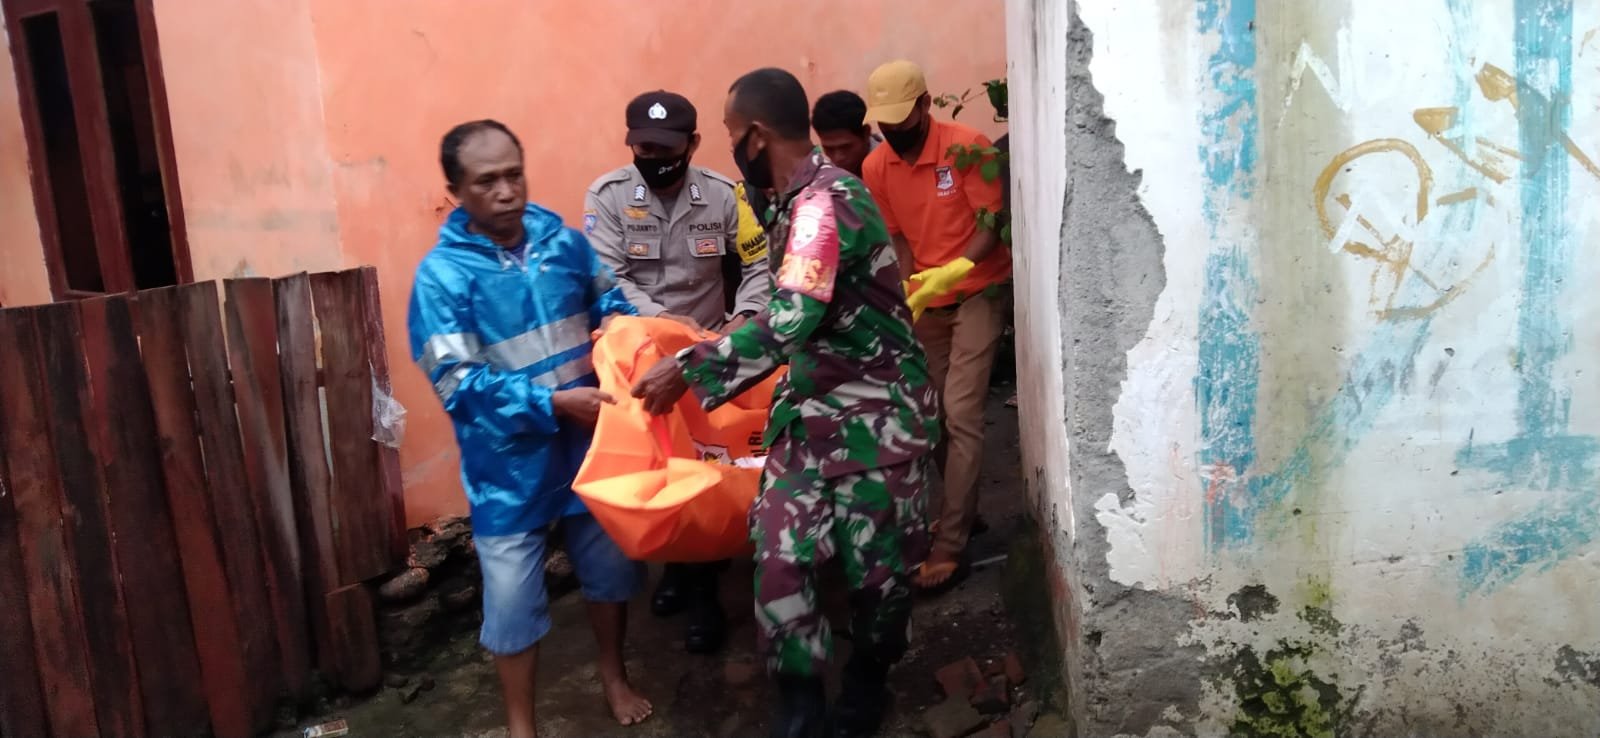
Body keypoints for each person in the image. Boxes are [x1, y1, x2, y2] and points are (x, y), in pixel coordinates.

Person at [631, 68, 941, 738]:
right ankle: (800, 706)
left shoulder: (824, 204)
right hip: (807, 418)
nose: (731, 150)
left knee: (880, 582)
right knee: (780, 557)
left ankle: (867, 682)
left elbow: (791, 316)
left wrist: (688, 369)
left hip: (877, 423)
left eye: (729, 137)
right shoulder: (791, 204)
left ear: (754, 135)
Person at [409, 120, 652, 738]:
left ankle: (614, 676)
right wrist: (552, 404)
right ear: (455, 190)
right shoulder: (441, 278)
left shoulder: (564, 244)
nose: (506, 190)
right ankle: (522, 725)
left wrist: (636, 350)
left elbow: (613, 309)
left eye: (514, 173)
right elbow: (458, 384)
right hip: (507, 467)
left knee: (609, 574)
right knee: (512, 605)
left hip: (590, 444)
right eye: (486, 180)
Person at [583, 90, 771, 655]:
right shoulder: (609, 196)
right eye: (644, 146)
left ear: (691, 144)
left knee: (705, 465)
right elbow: (609, 281)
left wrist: (741, 320)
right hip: (642, 357)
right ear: (630, 143)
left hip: (710, 356)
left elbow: (758, 262)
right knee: (658, 465)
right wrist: (670, 327)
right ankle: (681, 574)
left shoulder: (724, 194)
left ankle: (701, 588)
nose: (655, 156)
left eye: (667, 148)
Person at [859, 60, 1012, 591]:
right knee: (930, 415)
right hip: (929, 299)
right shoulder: (877, 167)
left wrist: (960, 266)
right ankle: (959, 512)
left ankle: (949, 542)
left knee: (962, 411)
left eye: (904, 120)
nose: (896, 133)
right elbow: (899, 240)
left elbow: (991, 226)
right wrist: (905, 295)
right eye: (886, 125)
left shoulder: (967, 146)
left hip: (978, 292)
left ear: (926, 105)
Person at [810, 90, 884, 177]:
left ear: (866, 133)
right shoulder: (820, 171)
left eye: (846, 147)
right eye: (829, 149)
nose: (838, 158)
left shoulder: (891, 164)